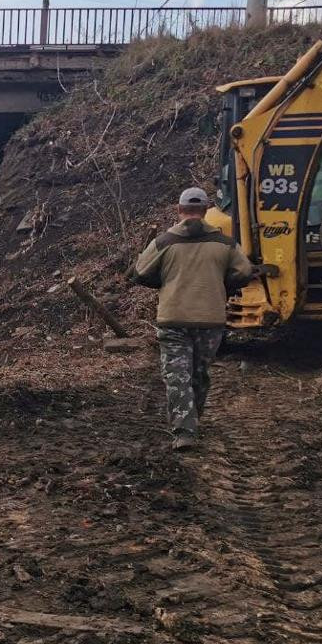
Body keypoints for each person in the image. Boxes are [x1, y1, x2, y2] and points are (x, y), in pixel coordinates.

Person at [132, 188, 254, 451]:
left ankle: (185, 430)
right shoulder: (225, 244)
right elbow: (245, 271)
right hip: (211, 320)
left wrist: (164, 281)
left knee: (177, 375)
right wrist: (222, 283)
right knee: (199, 372)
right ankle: (192, 418)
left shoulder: (165, 242)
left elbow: (139, 272)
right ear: (207, 209)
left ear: (179, 210)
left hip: (173, 318)